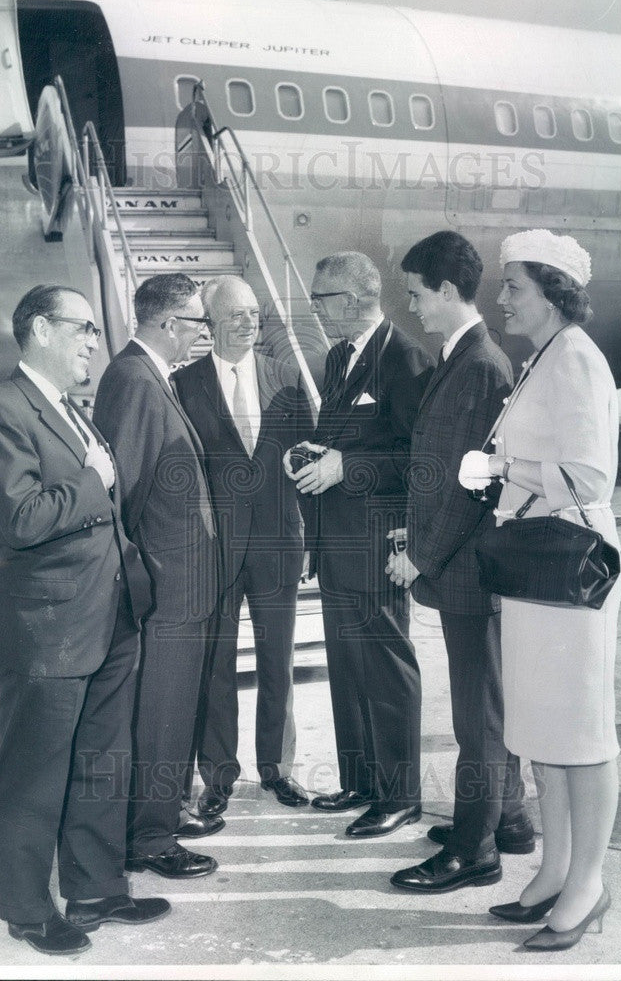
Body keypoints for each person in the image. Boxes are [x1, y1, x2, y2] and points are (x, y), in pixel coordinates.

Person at [0, 285, 166, 956]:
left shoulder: (70, 411)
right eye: (82, 329)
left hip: (108, 616)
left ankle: (96, 887)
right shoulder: (0, 413)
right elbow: (19, 521)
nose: (92, 343)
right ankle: (25, 908)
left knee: (103, 761)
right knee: (34, 771)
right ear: (42, 329)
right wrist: (89, 479)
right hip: (46, 629)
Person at [459, 229, 621, 950]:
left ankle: (588, 882)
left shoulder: (578, 361)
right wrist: (504, 464)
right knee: (544, 731)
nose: (501, 299)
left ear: (554, 290)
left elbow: (591, 479)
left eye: (514, 286)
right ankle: (555, 868)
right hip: (536, 562)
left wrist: (503, 472)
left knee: (582, 732)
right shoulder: (544, 358)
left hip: (571, 563)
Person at [384, 231, 533, 895]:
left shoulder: (479, 365)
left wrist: (420, 557)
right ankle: (508, 821)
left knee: (479, 716)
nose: (411, 307)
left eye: (416, 294)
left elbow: (478, 484)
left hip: (471, 567)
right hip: (464, 565)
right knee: (486, 705)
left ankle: (475, 851)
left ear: (446, 292)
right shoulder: (462, 357)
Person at [284, 251, 433, 837]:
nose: (315, 310)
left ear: (349, 299)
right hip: (340, 544)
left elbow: (419, 459)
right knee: (347, 668)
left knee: (387, 668)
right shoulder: (342, 356)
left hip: (377, 545)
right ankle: (361, 781)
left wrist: (348, 466)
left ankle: (401, 795)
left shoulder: (404, 358)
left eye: (320, 298)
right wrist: (321, 454)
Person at [92, 273, 221, 880]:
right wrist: (135, 585)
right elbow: (125, 495)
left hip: (180, 585)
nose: (203, 334)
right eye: (199, 323)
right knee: (163, 715)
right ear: (170, 324)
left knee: (169, 713)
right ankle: (149, 838)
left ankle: (157, 813)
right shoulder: (136, 382)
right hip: (168, 588)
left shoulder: (147, 378)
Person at [175, 276, 313, 813]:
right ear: (209, 322)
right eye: (234, 314)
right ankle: (218, 776)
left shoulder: (285, 377)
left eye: (253, 312)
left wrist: (312, 540)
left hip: (279, 546)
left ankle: (278, 769)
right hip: (217, 552)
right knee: (218, 664)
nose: (247, 321)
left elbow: (307, 459)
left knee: (279, 661)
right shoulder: (184, 385)